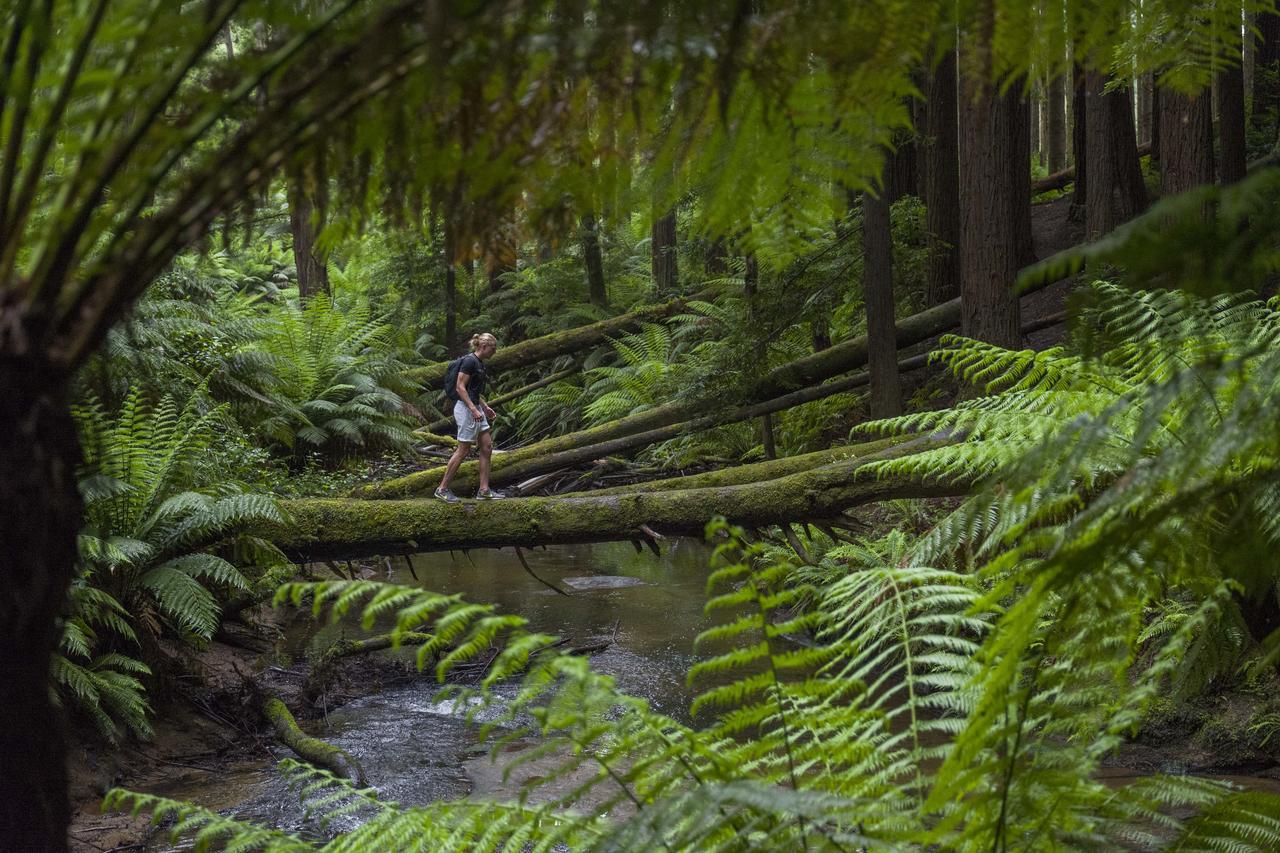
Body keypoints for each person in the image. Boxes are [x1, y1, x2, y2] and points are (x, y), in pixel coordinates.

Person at [435, 332, 506, 502]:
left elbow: (474, 391)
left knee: (487, 446)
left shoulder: (480, 364)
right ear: (483, 347)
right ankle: (442, 489)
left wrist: (485, 407)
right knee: (463, 449)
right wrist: (474, 409)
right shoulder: (469, 361)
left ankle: (484, 490)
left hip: (475, 408)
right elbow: (460, 387)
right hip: (466, 409)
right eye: (493, 348)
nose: (494, 351)